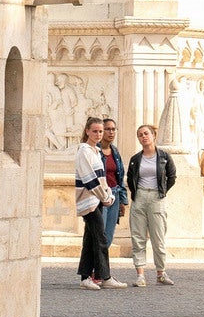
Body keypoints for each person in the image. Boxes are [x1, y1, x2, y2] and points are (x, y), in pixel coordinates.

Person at [74, 116, 124, 289]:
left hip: (97, 200)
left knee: (90, 239)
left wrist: (107, 195)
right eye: (94, 131)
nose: (98, 134)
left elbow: (102, 179)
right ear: (87, 131)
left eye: (100, 131)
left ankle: (85, 278)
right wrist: (105, 197)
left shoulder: (95, 151)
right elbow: (90, 179)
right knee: (101, 238)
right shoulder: (84, 151)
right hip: (89, 201)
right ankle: (105, 276)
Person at [126, 123, 177, 287]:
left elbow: (172, 177)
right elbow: (130, 178)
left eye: (146, 133)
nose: (143, 137)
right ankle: (140, 274)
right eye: (140, 135)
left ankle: (161, 273)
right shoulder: (135, 159)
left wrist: (161, 192)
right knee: (138, 237)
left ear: (153, 135)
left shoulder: (164, 157)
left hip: (157, 197)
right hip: (140, 196)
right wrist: (136, 194)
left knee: (158, 238)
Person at [99, 119, 127, 264]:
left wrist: (123, 201)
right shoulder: (95, 151)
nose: (111, 132)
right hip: (100, 197)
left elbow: (120, 176)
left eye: (113, 129)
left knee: (109, 235)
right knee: (99, 235)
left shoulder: (115, 152)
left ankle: (100, 272)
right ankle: (95, 272)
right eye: (107, 129)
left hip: (114, 196)